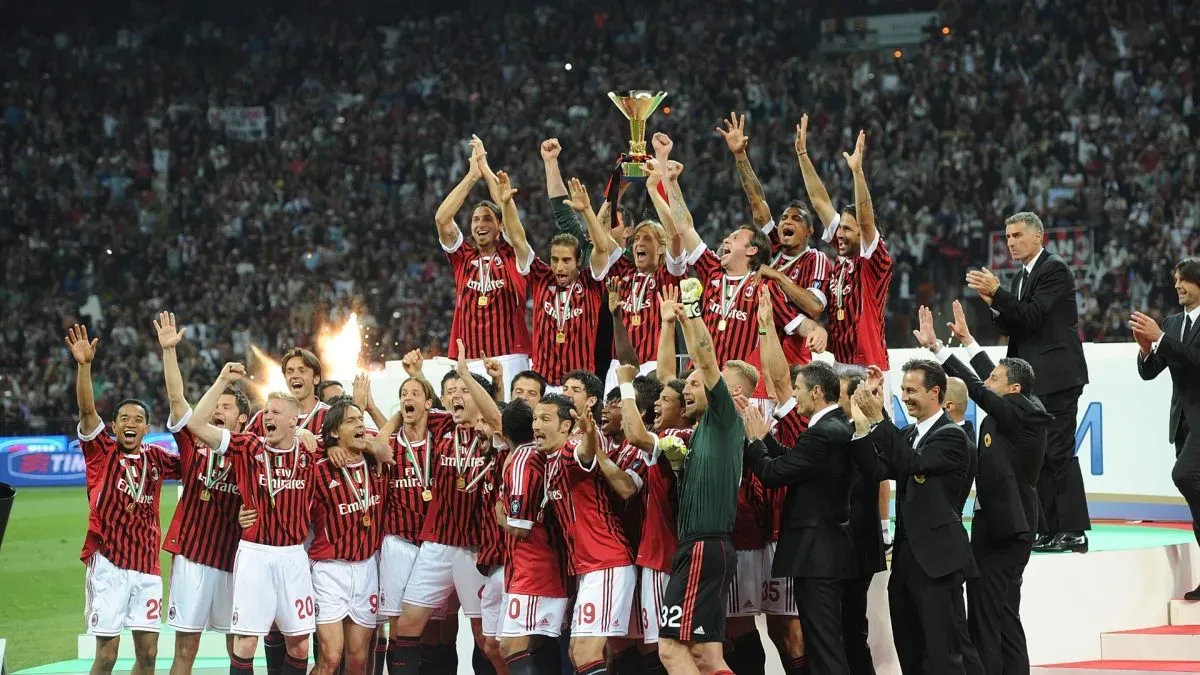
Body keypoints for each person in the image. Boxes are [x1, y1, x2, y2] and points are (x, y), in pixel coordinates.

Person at [916, 303, 1050, 675]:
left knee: (987, 618)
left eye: (997, 381)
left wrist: (939, 352)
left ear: (1015, 389)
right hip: (1006, 525)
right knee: (1004, 614)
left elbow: (979, 389)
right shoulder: (1018, 406)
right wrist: (970, 342)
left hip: (1005, 529)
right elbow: (990, 379)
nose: (990, 381)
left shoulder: (1022, 411)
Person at [966, 211, 1091, 553]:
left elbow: (1033, 315)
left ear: (1038, 237)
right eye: (1007, 237)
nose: (1011, 242)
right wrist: (995, 302)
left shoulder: (1054, 269)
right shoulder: (1022, 277)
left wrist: (999, 294)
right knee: (1040, 455)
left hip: (1058, 376)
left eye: (1017, 235)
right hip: (1035, 379)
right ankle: (1049, 530)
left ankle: (1074, 530)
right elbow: (1016, 324)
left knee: (1059, 451)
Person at [798, 119, 895, 552]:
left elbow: (867, 220)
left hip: (869, 365)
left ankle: (884, 526)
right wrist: (803, 155)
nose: (841, 236)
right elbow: (819, 201)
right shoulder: (835, 266)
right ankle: (845, 518)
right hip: (838, 367)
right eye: (839, 231)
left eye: (849, 231)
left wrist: (858, 173)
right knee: (842, 448)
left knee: (873, 444)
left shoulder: (874, 265)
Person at [849, 359, 981, 675]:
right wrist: (862, 427)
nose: (905, 396)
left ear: (935, 392)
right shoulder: (908, 433)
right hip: (908, 560)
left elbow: (914, 464)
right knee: (910, 647)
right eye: (904, 389)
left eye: (912, 390)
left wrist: (879, 418)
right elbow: (878, 470)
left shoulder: (951, 435)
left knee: (944, 651)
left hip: (938, 560)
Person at [186, 364, 318, 675]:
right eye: (265, 412)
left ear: (292, 420)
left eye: (274, 412)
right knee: (245, 642)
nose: (267, 416)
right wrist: (221, 381)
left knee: (299, 644)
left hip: (293, 556)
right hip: (255, 554)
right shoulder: (246, 447)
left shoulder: (311, 452)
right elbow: (196, 424)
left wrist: (308, 434)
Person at [67, 324, 179, 675]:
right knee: (107, 656)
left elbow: (196, 460)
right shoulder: (100, 452)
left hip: (147, 566)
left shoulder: (158, 458)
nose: (131, 423)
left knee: (148, 656)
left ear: (147, 428)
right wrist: (84, 366)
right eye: (125, 419)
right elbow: (87, 412)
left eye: (139, 419)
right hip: (110, 565)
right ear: (114, 425)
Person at [742, 360, 856, 675]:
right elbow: (793, 462)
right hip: (822, 553)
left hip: (818, 555)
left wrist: (753, 441)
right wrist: (765, 439)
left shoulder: (824, 432)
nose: (795, 395)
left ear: (817, 391)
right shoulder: (829, 428)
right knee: (822, 643)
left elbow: (774, 474)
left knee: (824, 645)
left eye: (799, 389)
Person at [654, 277, 742, 675]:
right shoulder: (699, 435)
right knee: (706, 657)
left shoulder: (723, 418)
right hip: (704, 547)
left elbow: (707, 361)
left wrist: (692, 312)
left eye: (693, 385)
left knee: (671, 651)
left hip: (705, 547)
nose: (686, 390)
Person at [156, 312, 249, 674]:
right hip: (193, 558)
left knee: (237, 649)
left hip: (234, 561)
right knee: (187, 649)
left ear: (242, 419)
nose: (217, 410)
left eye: (226, 406)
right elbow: (178, 399)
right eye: (215, 405)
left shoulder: (251, 451)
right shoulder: (195, 445)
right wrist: (169, 353)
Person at [437, 136, 532, 395]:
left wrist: (486, 169)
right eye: (476, 219)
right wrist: (471, 177)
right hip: (469, 359)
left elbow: (504, 203)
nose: (481, 224)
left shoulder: (513, 252)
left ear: (500, 226)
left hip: (510, 356)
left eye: (488, 219)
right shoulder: (462, 256)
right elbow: (442, 219)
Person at [1132, 257, 1200, 598]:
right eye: (1175, 280)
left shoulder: (1168, 329)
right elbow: (1150, 372)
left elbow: (1194, 360)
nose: (1177, 286)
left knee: (1184, 475)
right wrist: (1146, 350)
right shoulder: (1173, 322)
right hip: (1184, 423)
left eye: (1184, 280)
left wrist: (1160, 338)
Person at [307, 400, 389, 675]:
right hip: (330, 571)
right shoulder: (319, 471)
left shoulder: (377, 464)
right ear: (333, 433)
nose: (360, 425)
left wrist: (370, 444)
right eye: (351, 421)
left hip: (367, 569)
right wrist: (324, 445)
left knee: (357, 660)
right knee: (330, 658)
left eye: (360, 419)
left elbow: (389, 442)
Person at [832, 365, 885, 675]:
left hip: (859, 544)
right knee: (841, 627)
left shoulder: (869, 433)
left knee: (852, 627)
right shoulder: (836, 428)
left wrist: (883, 529)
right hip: (842, 545)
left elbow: (880, 483)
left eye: (837, 394)